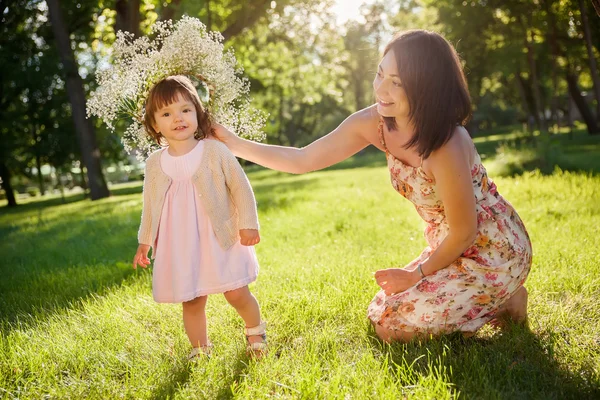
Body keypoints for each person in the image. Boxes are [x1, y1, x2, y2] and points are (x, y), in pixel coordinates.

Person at [212, 30, 532, 342]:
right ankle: (495, 300)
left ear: (427, 89)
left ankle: (505, 295)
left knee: (393, 329)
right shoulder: (373, 123)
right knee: (383, 312)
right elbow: (302, 159)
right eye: (380, 75)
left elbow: (465, 231)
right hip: (447, 244)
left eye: (397, 83)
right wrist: (232, 142)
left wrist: (415, 275)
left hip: (493, 248)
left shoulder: (446, 144)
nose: (382, 89)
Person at [131, 75, 267, 358]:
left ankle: (255, 331)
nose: (177, 118)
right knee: (191, 299)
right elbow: (150, 205)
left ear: (197, 112)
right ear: (155, 124)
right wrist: (145, 241)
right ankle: (199, 349)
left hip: (220, 236)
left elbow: (240, 186)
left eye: (185, 110)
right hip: (182, 242)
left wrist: (248, 224)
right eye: (166, 113)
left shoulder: (214, 150)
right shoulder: (155, 163)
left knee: (236, 292)